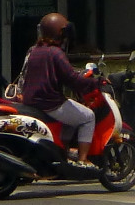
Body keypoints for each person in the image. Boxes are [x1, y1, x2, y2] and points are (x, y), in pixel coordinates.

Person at [21, 12, 94, 163]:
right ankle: (83, 160)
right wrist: (95, 83)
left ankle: (64, 153)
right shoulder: (56, 52)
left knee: (72, 114)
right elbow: (71, 78)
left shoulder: (34, 50)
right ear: (60, 33)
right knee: (88, 117)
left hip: (31, 101)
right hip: (49, 103)